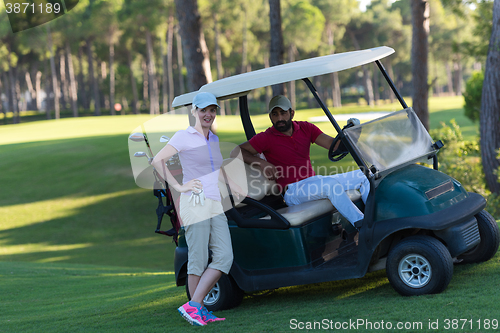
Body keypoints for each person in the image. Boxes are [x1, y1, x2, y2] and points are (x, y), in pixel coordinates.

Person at [152, 92, 244, 326]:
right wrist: (179, 186)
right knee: (198, 259)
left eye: (212, 110)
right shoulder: (184, 136)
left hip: (215, 203)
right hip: (195, 203)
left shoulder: (213, 138)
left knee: (224, 256)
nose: (208, 114)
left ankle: (193, 305)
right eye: (203, 110)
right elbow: (157, 161)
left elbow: (217, 168)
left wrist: (233, 186)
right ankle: (197, 309)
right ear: (194, 111)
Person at [236, 95, 369, 227]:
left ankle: (374, 217)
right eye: (275, 114)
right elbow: (236, 151)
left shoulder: (306, 128)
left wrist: (353, 132)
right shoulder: (265, 137)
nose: (279, 118)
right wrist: (261, 163)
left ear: (291, 113)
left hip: (313, 181)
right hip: (293, 191)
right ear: (270, 116)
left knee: (364, 175)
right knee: (331, 185)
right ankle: (363, 225)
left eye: (283, 113)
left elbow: (334, 146)